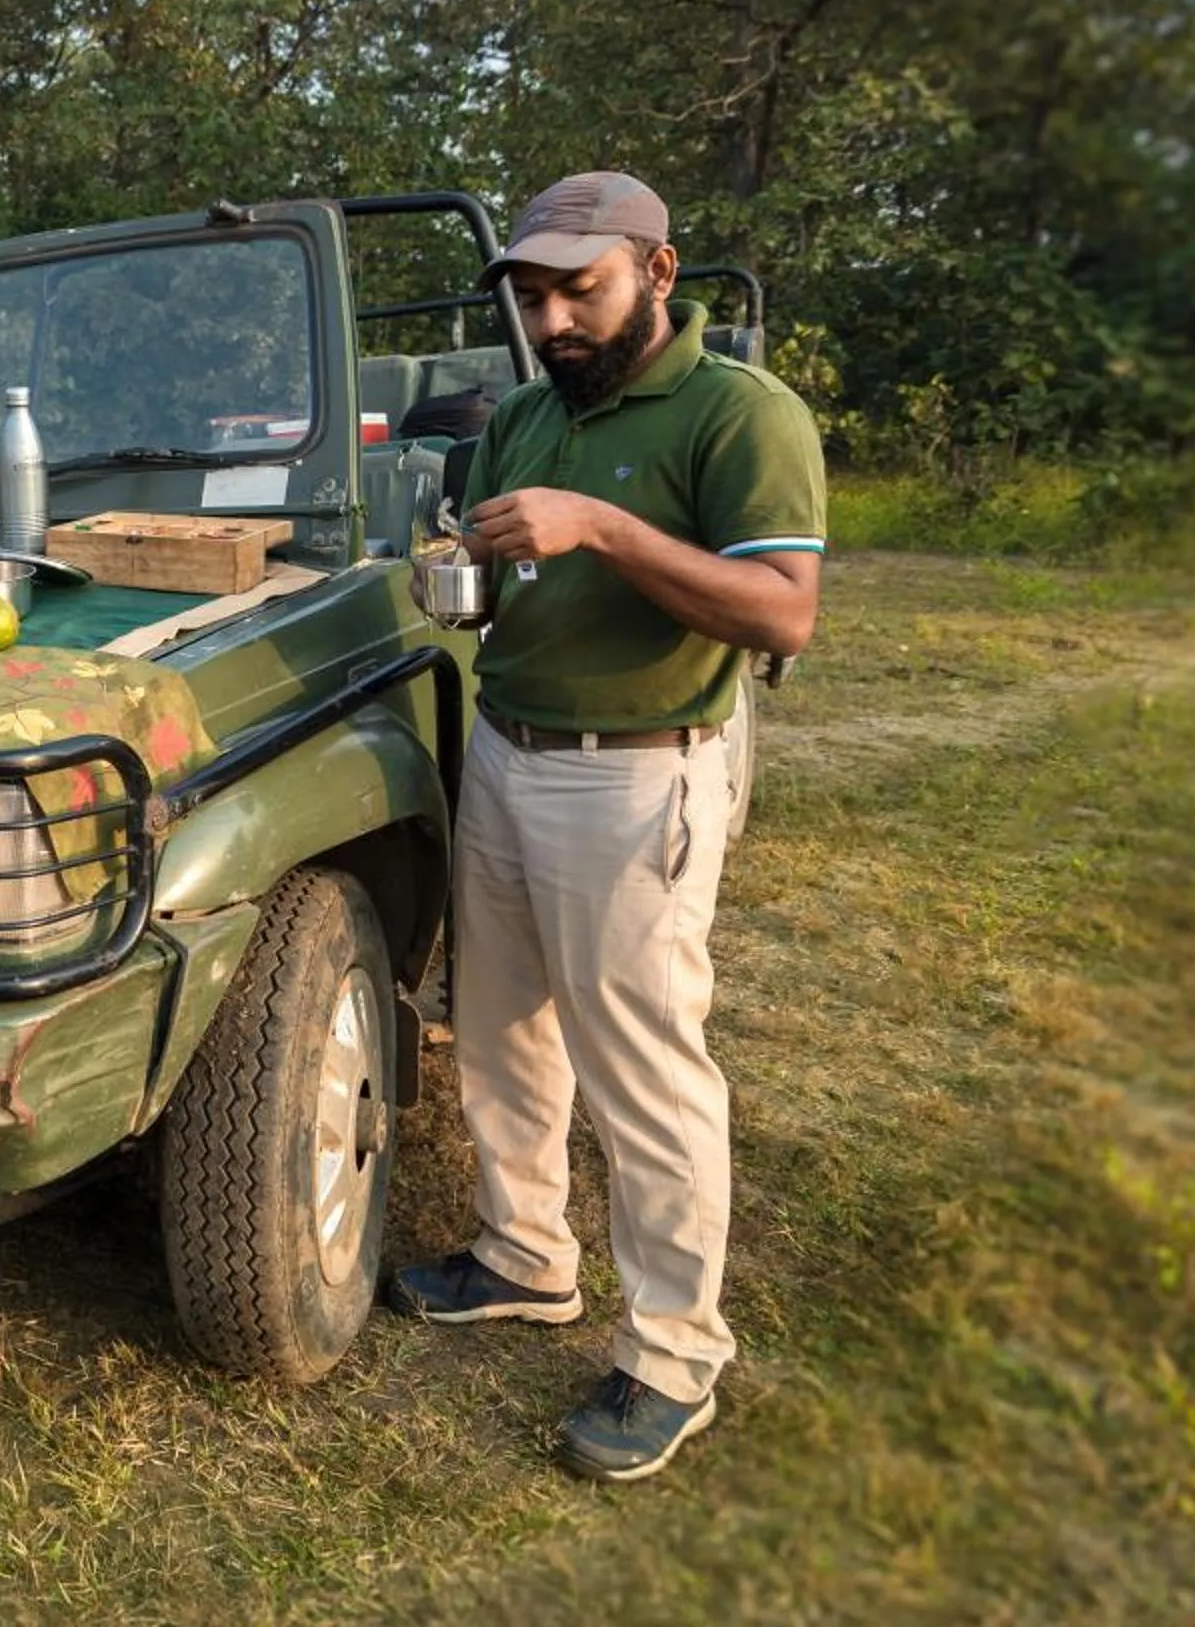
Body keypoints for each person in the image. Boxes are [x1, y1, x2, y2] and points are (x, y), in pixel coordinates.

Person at [389, 170, 826, 1483]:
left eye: (580, 288)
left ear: (658, 271)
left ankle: (676, 1354)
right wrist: (462, 582)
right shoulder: (523, 416)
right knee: (506, 1031)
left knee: (644, 1071)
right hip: (510, 753)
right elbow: (504, 583)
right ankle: (525, 1256)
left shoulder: (739, 414)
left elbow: (781, 615)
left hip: (638, 776)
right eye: (532, 295)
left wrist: (605, 529)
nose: (554, 318)